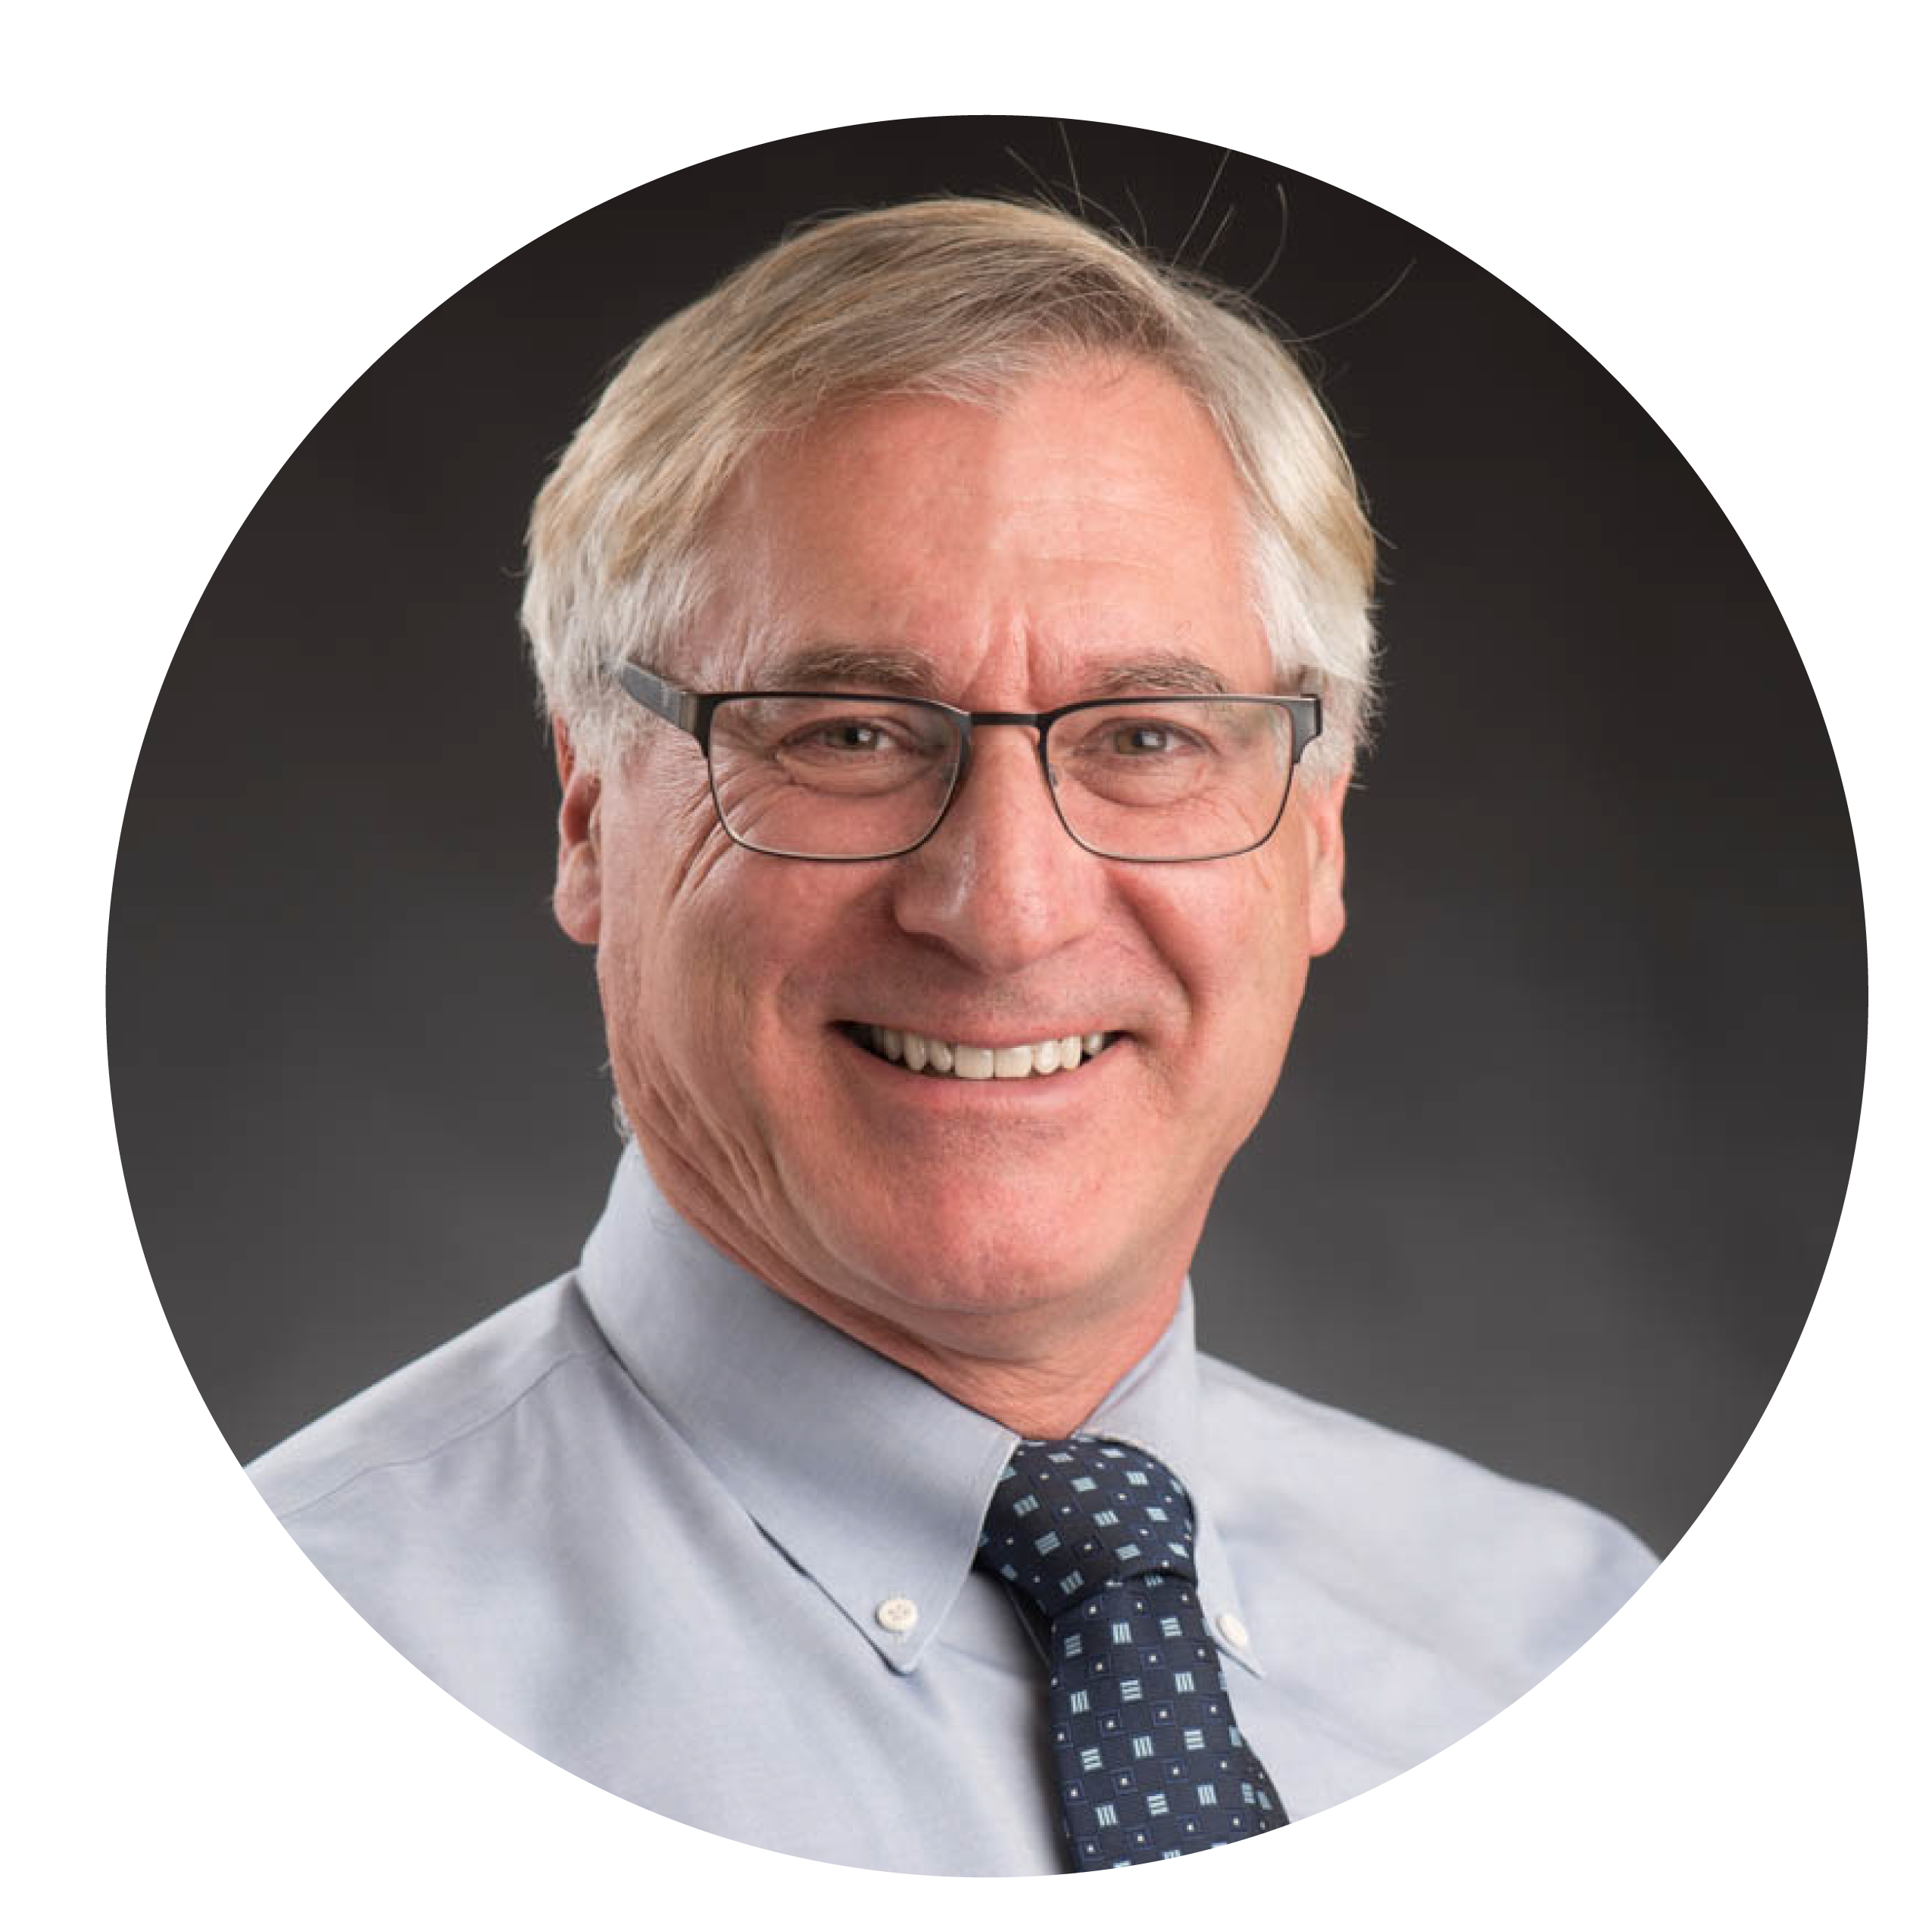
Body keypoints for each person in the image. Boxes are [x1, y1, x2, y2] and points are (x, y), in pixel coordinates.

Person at [247, 197, 1651, 1876]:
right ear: (585, 816)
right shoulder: (250, 1718)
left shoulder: (1585, 1659)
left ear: (1319, 835)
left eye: (1145, 734)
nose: (1006, 908)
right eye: (846, 731)